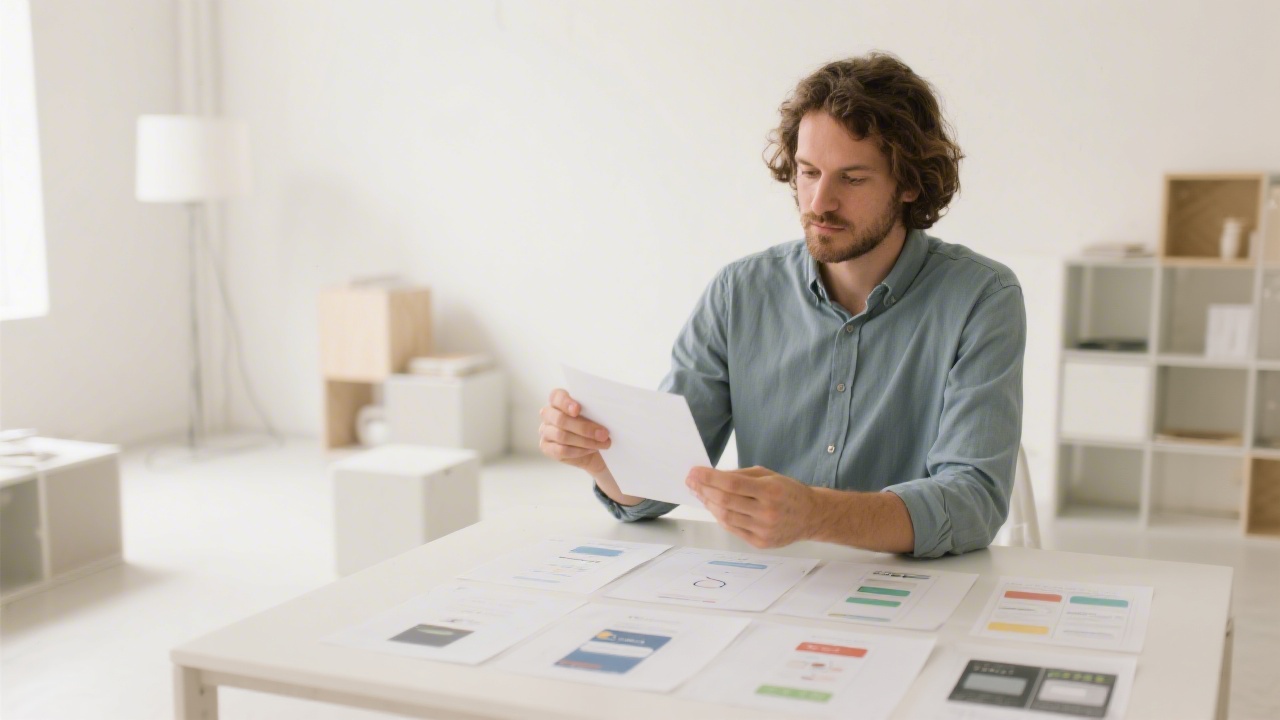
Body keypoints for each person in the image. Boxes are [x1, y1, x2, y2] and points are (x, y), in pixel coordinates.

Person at [538, 53, 1025, 558]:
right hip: (768, 588)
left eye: (852, 179)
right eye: (808, 172)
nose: (819, 202)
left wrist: (817, 514)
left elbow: (973, 502)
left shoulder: (982, 298)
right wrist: (602, 460)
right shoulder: (739, 292)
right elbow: (665, 480)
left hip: (909, 591)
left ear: (909, 184)